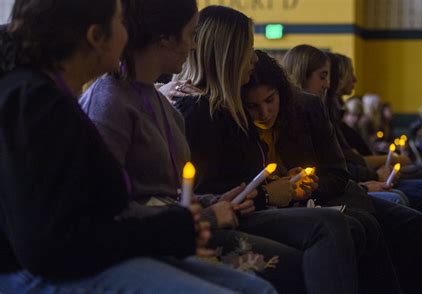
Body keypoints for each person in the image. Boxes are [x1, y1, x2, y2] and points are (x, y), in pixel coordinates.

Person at [0, 1, 275, 293]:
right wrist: (172, 229)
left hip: (72, 259)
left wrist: (186, 217)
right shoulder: (35, 102)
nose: (129, 32)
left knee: (256, 289)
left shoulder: (47, 94)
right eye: (121, 22)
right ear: (96, 36)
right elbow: (51, 246)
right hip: (30, 272)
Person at [79, 0, 302, 292]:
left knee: (292, 264)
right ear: (165, 39)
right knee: (275, 276)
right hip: (145, 241)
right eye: (191, 34)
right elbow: (106, 208)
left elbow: (170, 193)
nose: (194, 46)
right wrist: (206, 215)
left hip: (173, 229)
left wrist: (213, 200)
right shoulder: (110, 102)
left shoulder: (163, 105)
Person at [176, 6, 365, 294]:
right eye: (248, 49)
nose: (254, 59)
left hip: (249, 211)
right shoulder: (200, 111)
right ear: (228, 55)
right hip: (225, 221)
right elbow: (206, 192)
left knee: (352, 223)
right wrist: (267, 194)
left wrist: (283, 184)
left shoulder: (229, 107)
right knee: (327, 225)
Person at [283, 45, 422, 294]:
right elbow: (344, 166)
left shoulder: (323, 111)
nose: (328, 83)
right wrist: (367, 179)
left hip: (340, 187)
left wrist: (364, 178)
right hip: (325, 195)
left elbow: (342, 164)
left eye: (329, 76)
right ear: (302, 73)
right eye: (323, 76)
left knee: (411, 214)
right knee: (391, 210)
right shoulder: (298, 111)